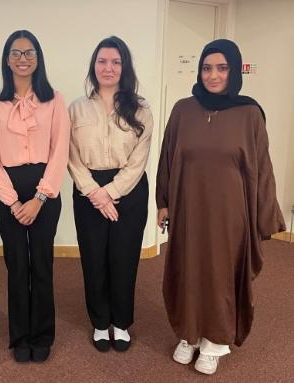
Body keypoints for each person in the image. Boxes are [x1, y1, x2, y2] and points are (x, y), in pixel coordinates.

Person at [156, 39, 285, 375]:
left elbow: (262, 167)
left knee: (219, 275)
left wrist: (265, 217)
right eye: (207, 68)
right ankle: (190, 334)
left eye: (221, 68)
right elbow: (167, 158)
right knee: (188, 268)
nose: (213, 75)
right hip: (188, 209)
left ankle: (215, 341)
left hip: (230, 215)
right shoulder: (184, 109)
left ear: (234, 70)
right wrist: (164, 202)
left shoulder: (249, 113)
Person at [0, 30, 70, 363]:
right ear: (7, 59)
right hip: (7, 190)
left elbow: (60, 151)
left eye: (29, 52)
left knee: (42, 263)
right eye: (16, 53)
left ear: (38, 57)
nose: (23, 58)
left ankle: (43, 334)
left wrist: (40, 198)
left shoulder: (55, 100)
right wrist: (13, 201)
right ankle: (20, 335)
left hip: (45, 187)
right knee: (16, 264)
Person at [68, 36, 153, 353]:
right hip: (88, 189)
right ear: (94, 65)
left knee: (124, 258)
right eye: (102, 61)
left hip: (128, 191)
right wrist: (94, 192)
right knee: (93, 259)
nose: (108, 67)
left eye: (116, 62)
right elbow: (70, 155)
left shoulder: (141, 109)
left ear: (124, 67)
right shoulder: (76, 108)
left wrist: (112, 192)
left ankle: (121, 322)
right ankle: (100, 323)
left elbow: (139, 160)